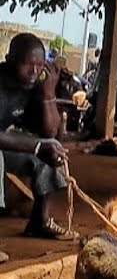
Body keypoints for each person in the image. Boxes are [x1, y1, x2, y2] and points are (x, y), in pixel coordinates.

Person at [0, 34, 77, 249]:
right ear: (9, 59)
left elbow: (49, 132)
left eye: (40, 65)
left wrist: (48, 94)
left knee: (49, 151)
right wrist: (36, 146)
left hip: (4, 143)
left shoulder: (34, 86)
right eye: (28, 64)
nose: (34, 71)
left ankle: (39, 221)